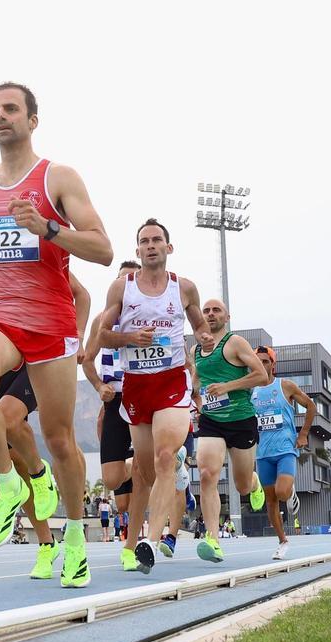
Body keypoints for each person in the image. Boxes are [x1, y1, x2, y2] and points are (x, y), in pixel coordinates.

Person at [0, 82, 113, 589]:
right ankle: (7, 483)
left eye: (11, 109)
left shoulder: (57, 178)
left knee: (61, 440)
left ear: (32, 120)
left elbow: (104, 249)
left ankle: (73, 540)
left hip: (49, 324)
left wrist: (47, 228)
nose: (1, 117)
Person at [95, 218, 212, 574]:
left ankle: (151, 539)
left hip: (171, 381)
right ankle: (132, 543)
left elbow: (200, 328)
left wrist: (205, 339)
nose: (150, 246)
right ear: (137, 251)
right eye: (144, 241)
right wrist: (130, 339)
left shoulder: (184, 288)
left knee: (164, 456)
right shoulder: (121, 289)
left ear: (168, 248)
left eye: (156, 240)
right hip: (136, 385)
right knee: (144, 472)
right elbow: (102, 336)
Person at [189, 298, 268, 563]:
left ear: (227, 316)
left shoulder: (235, 343)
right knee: (207, 473)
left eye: (216, 310)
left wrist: (227, 386)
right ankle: (213, 539)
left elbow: (261, 376)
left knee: (242, 486)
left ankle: (255, 483)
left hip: (241, 419)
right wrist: (197, 402)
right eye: (206, 311)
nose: (210, 314)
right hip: (211, 421)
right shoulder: (196, 350)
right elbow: (197, 382)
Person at [85, 259, 142, 563]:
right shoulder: (101, 322)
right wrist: (98, 386)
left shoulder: (151, 317)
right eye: (121, 281)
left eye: (132, 281)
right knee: (111, 480)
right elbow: (87, 361)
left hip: (143, 397)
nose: (125, 286)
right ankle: (134, 463)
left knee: (144, 475)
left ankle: (132, 546)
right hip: (114, 400)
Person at [252, 346, 316, 559]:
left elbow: (311, 406)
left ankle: (290, 491)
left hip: (285, 450)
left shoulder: (285, 386)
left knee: (281, 492)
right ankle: (282, 542)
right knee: (271, 501)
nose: (261, 365)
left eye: (265, 361)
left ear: (272, 365)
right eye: (257, 361)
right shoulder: (250, 391)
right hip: (262, 454)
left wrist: (304, 434)